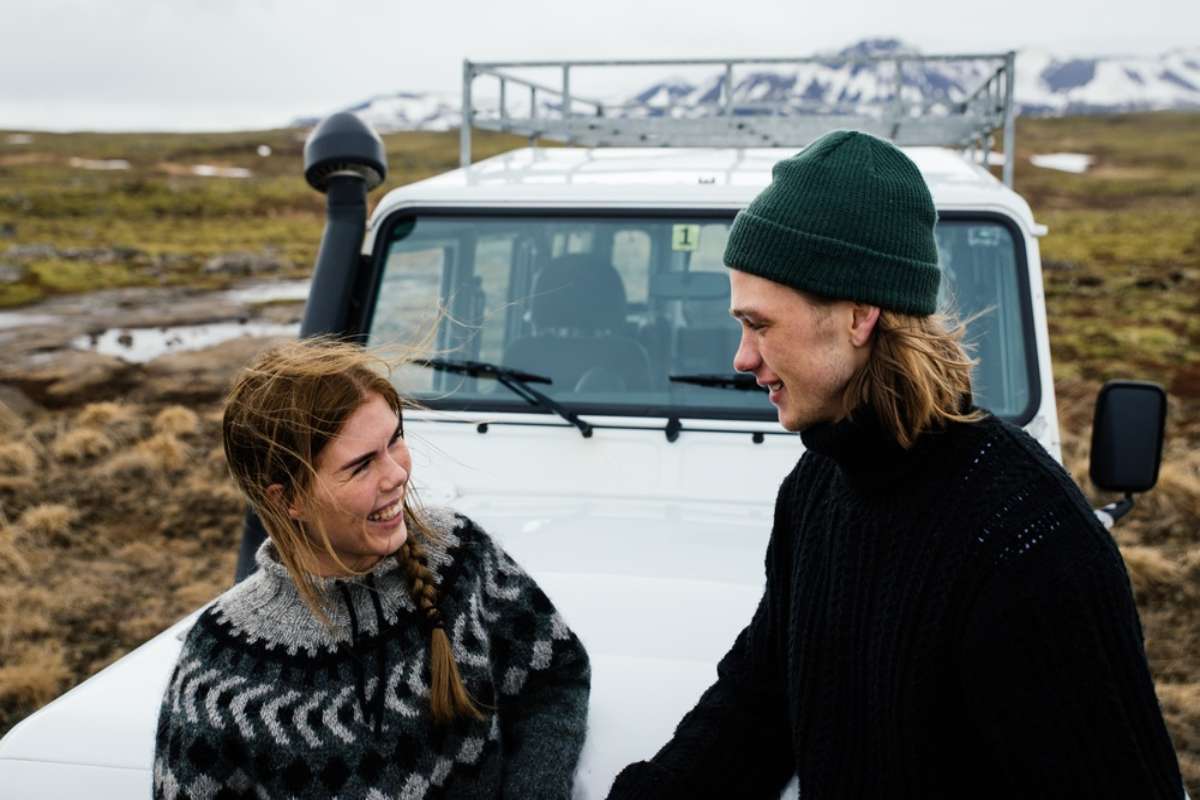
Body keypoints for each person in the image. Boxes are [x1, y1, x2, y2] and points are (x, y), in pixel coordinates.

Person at [607, 131, 1183, 798]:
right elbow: (757, 705)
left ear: (858, 315)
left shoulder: (1032, 545)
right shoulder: (820, 485)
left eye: (759, 325)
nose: (741, 358)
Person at [153, 338, 590, 799]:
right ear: (288, 499)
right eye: (361, 466)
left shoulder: (459, 555)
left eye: (395, 439)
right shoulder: (220, 670)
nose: (397, 474)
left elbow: (555, 675)